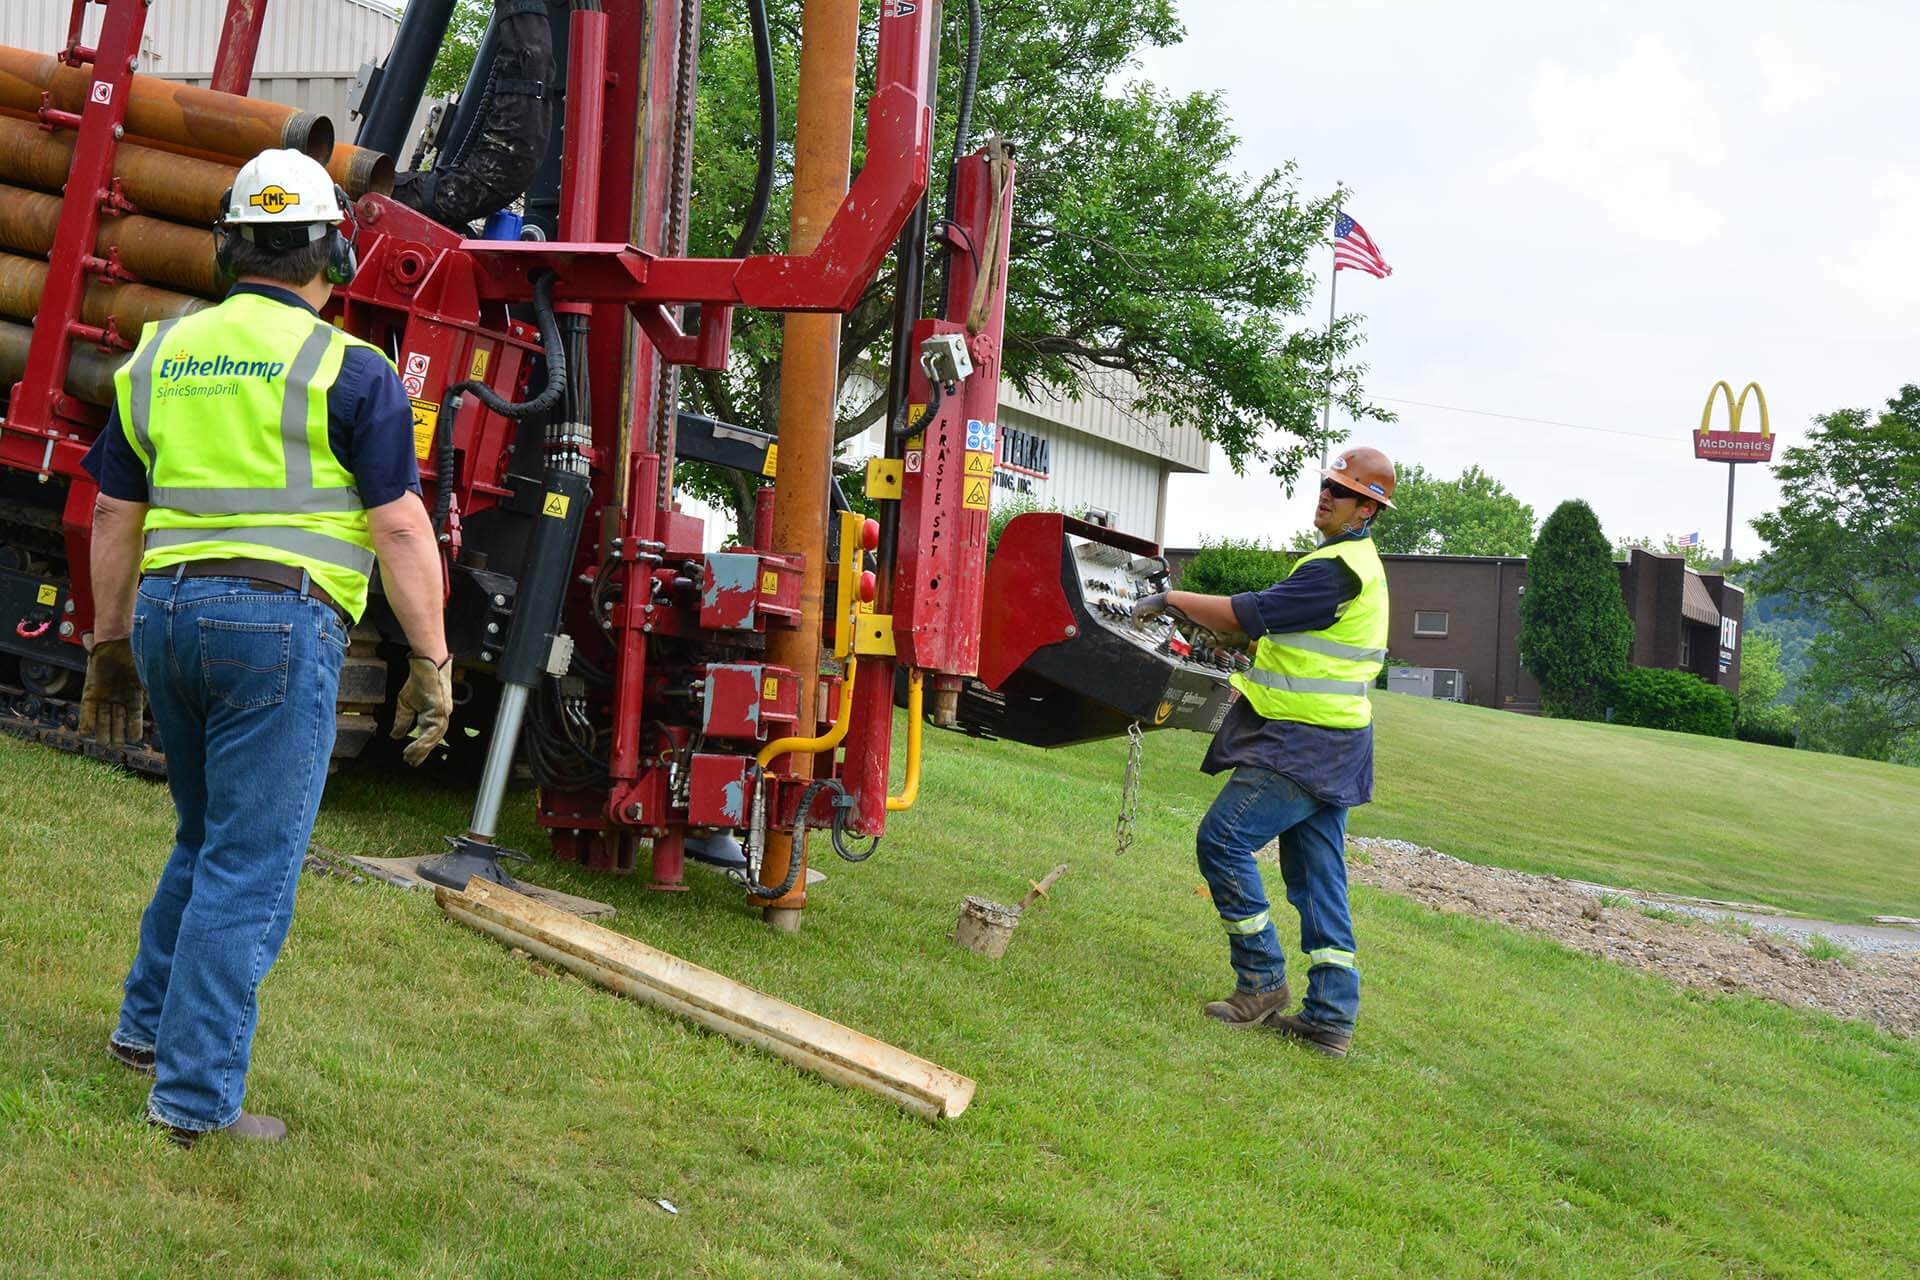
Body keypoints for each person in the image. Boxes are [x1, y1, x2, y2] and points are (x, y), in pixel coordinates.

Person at [77, 149, 457, 1145]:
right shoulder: (353, 369)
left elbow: (115, 508)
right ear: (334, 248)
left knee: (206, 837)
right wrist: (434, 659)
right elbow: (403, 527)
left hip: (165, 614)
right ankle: (196, 1100)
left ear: (229, 246)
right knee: (250, 862)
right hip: (278, 626)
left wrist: (107, 643)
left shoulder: (159, 355)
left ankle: (142, 1031)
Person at [1133, 447, 1395, 1059]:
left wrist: (1171, 600)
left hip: (1303, 745)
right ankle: (1331, 1017)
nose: (1326, 494)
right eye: (1326, 484)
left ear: (1368, 509)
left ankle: (1261, 982)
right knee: (1319, 879)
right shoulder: (1349, 564)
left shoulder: (1337, 569)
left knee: (1222, 841)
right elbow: (1258, 629)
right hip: (1338, 743)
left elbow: (1244, 612)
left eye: (1342, 491)